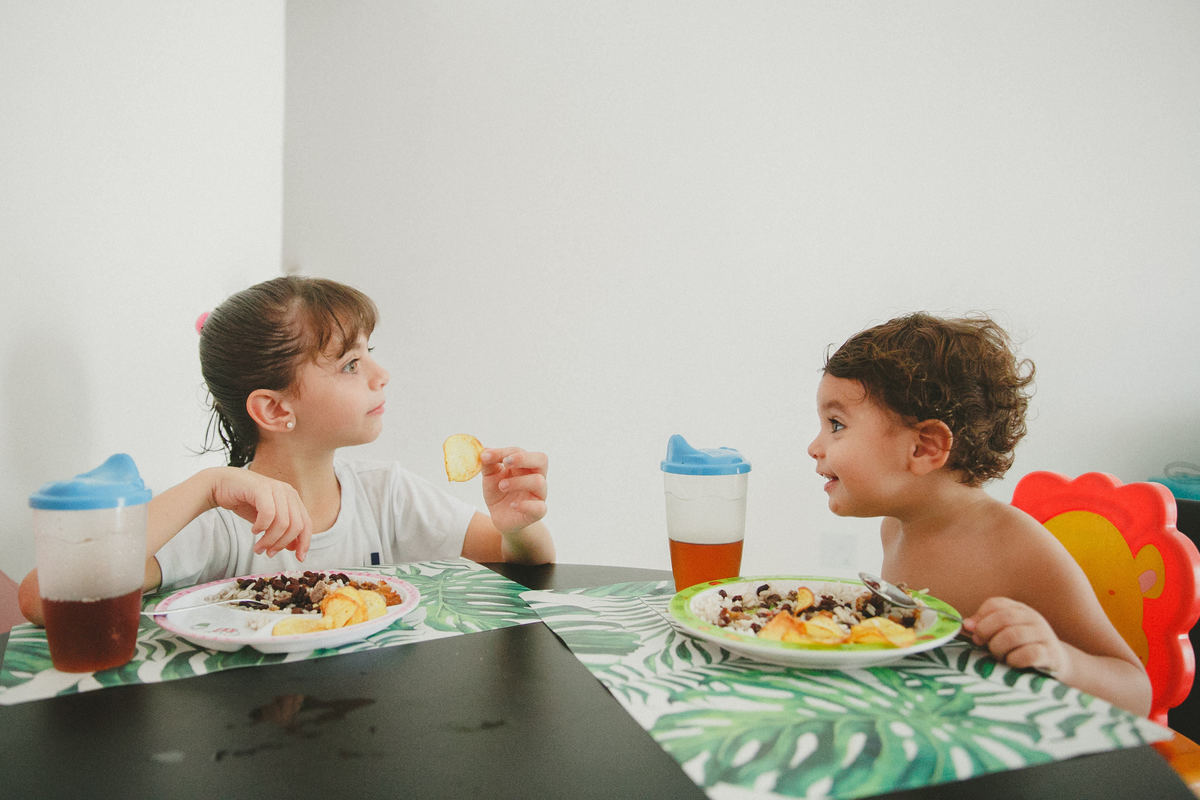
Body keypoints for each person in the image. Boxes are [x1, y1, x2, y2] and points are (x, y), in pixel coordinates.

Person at [20, 276, 554, 624]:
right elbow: (45, 598)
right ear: (275, 410)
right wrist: (205, 487)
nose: (381, 374)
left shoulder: (385, 494)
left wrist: (516, 525)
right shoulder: (220, 519)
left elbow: (519, 564)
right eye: (350, 364)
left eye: (372, 354)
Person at [806, 312, 1151, 717]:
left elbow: (1136, 691)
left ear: (924, 448)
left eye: (836, 425)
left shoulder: (1014, 546)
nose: (815, 446)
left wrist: (1060, 659)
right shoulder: (895, 527)